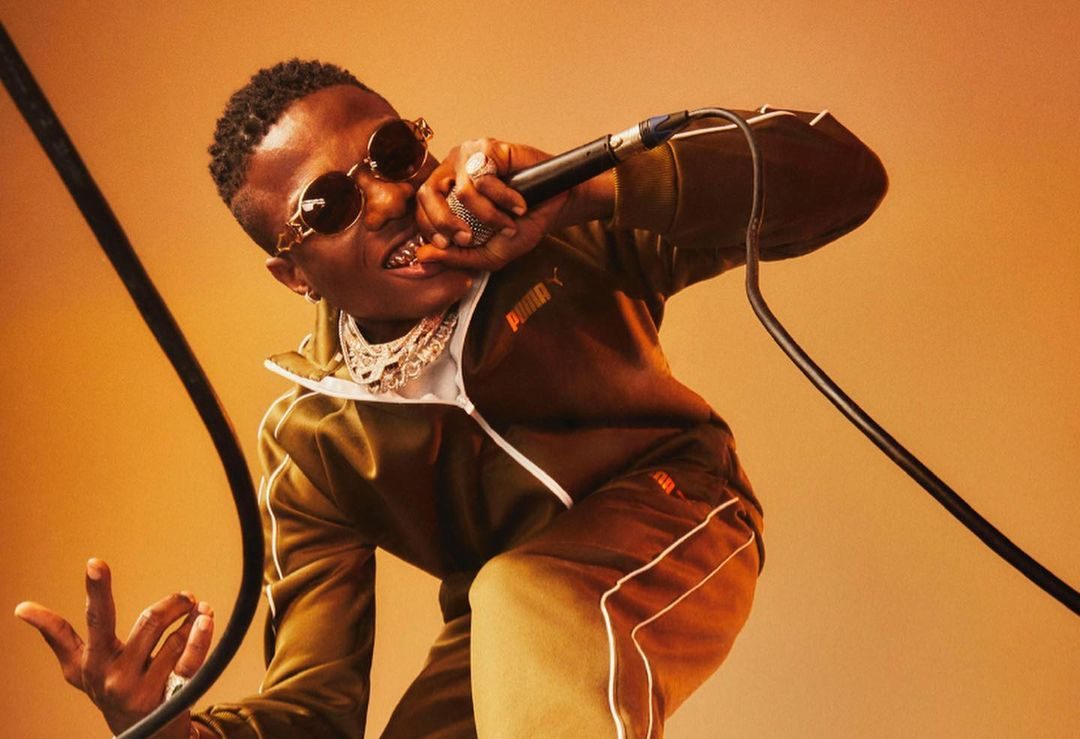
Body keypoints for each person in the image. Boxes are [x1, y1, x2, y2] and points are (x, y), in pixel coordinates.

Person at [15, 59, 887, 738]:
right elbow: (313, 708)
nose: (390, 198)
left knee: (514, 594)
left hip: (678, 509)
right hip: (507, 618)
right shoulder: (313, 438)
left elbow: (845, 177)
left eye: (393, 154)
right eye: (331, 204)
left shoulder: (551, 233)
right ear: (293, 274)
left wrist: (585, 190)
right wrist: (164, 725)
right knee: (489, 631)